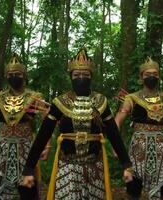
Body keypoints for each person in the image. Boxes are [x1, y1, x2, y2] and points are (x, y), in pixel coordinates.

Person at [21, 48, 133, 200]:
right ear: (71, 77)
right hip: (67, 166)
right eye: (76, 75)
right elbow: (44, 134)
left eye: (85, 75)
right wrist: (29, 168)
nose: (81, 78)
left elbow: (113, 133)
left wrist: (126, 164)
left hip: (94, 167)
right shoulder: (60, 102)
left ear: (91, 77)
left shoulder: (101, 101)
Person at [0, 55, 49, 200]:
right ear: (6, 76)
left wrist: (47, 146)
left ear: (24, 75)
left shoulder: (35, 97)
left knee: (27, 189)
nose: (14, 77)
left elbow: (46, 123)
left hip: (25, 149)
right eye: (10, 75)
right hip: (2, 149)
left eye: (18, 74)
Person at [114, 57, 163, 200]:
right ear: (141, 77)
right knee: (134, 187)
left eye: (155, 74)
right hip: (138, 147)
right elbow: (117, 121)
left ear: (159, 76)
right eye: (148, 74)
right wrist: (116, 146)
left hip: (161, 147)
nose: (151, 77)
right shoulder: (132, 98)